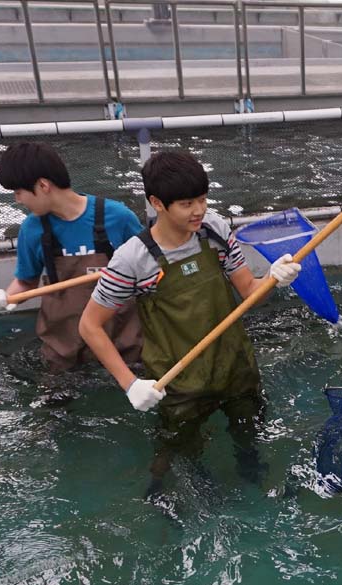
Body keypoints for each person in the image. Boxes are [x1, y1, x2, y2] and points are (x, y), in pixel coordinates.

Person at [78, 150, 301, 495]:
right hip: (179, 381)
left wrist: (273, 278)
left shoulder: (214, 230)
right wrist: (130, 384)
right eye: (186, 204)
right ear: (157, 204)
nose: (198, 210)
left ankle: (252, 475)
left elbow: (248, 291)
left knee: (249, 434)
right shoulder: (132, 260)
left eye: (202, 198)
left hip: (234, 366)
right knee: (178, 453)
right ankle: (164, 494)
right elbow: (89, 326)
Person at [0, 142, 145, 371]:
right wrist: (5, 298)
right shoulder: (32, 229)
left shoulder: (118, 217)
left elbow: (151, 269)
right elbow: (26, 282)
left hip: (124, 350)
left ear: (43, 185)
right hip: (64, 353)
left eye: (19, 192)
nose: (18, 200)